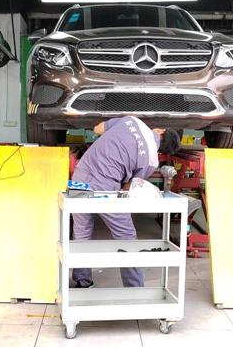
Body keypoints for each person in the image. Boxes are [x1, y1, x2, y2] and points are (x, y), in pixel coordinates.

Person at [71, 116, 181, 288]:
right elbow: (128, 187)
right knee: (127, 238)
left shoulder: (132, 121)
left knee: (81, 231)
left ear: (161, 130)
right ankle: (135, 288)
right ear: (163, 152)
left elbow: (98, 129)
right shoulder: (151, 161)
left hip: (80, 175)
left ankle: (82, 282)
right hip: (106, 188)